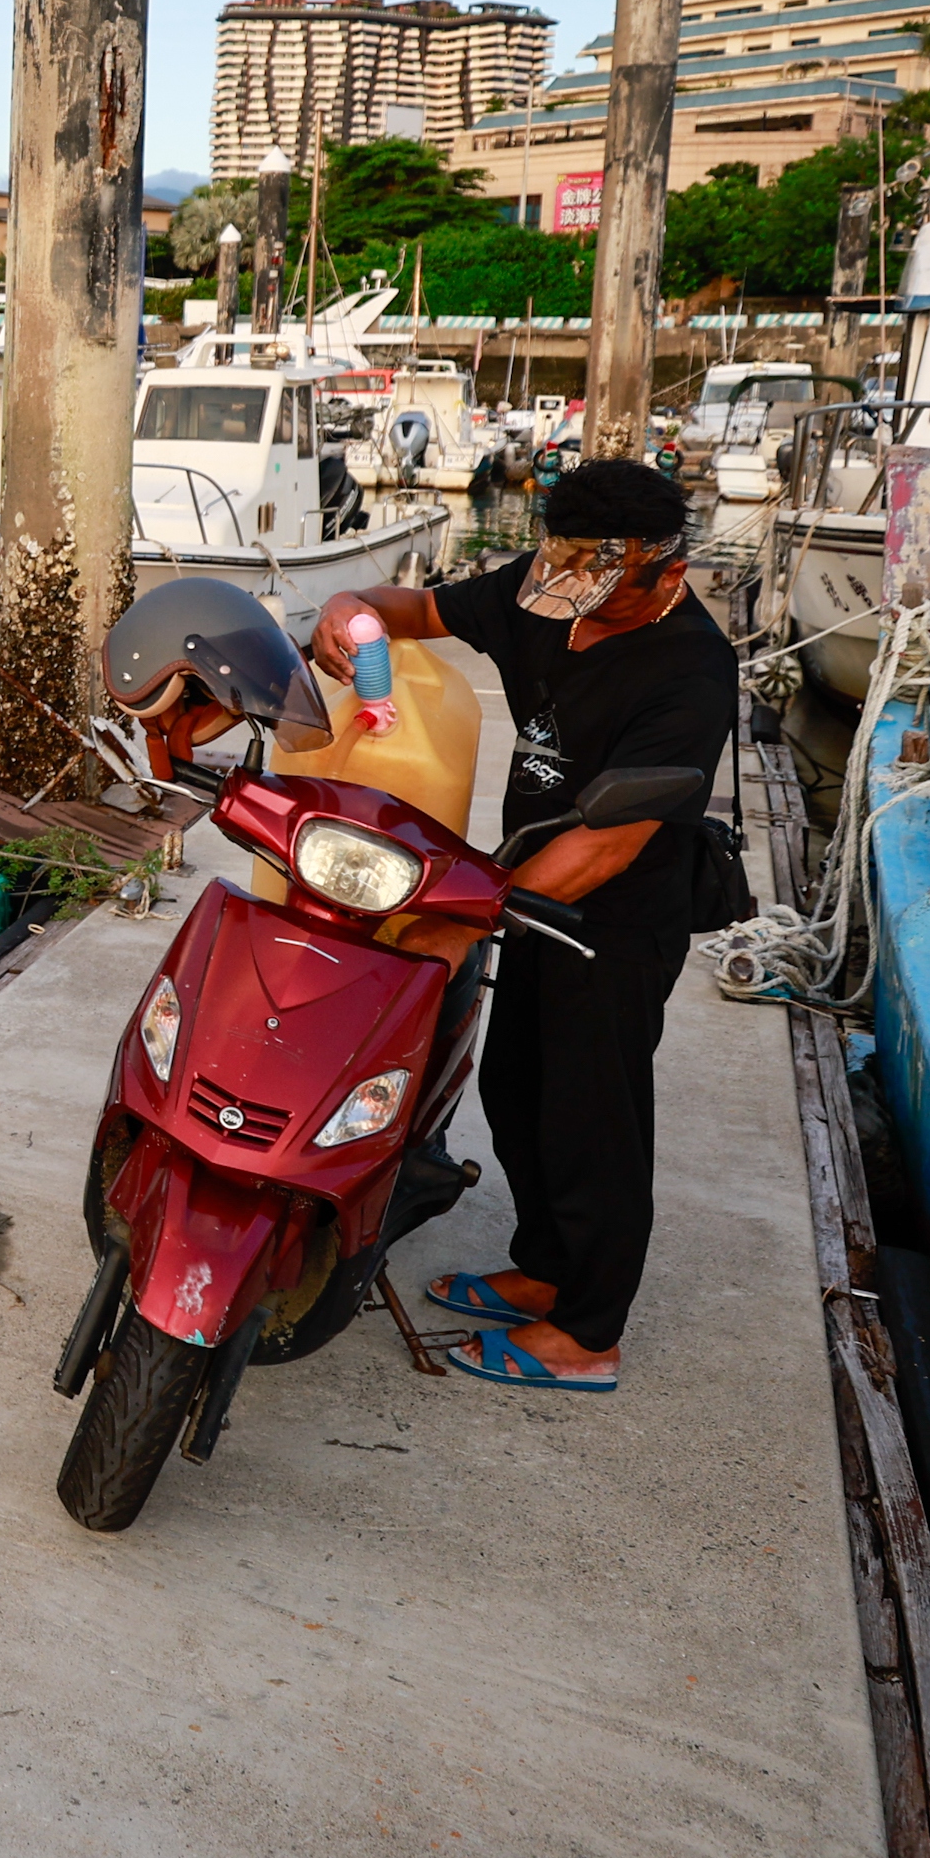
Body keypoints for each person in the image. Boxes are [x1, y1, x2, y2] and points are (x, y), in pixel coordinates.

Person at [308, 456, 734, 1392]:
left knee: (595, 1119)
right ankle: (546, 1269)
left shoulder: (691, 669)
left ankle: (588, 1333)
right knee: (517, 1089)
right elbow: (414, 612)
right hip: (525, 900)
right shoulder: (547, 595)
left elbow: (609, 845)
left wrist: (464, 920)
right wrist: (348, 607)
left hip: (614, 922)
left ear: (668, 572)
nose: (577, 610)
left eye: (604, 592)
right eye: (564, 580)